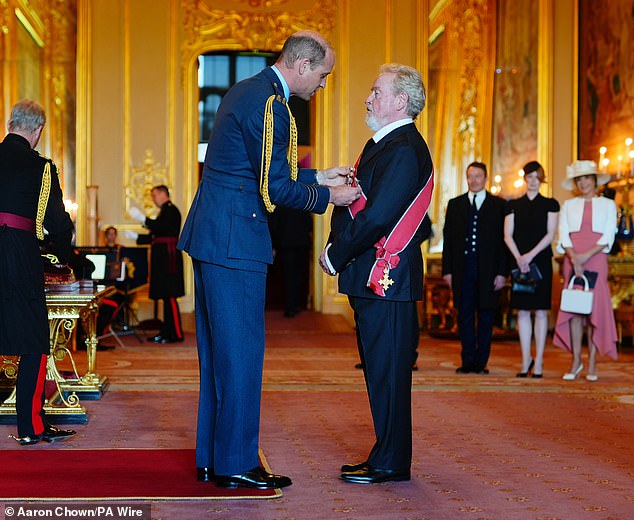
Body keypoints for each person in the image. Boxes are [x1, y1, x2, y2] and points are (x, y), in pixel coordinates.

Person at [177, 30, 361, 489]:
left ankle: (212, 457)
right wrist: (331, 196)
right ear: (302, 66)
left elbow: (257, 164)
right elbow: (273, 187)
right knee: (240, 355)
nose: (323, 85)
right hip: (236, 238)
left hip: (214, 233)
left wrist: (318, 173)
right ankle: (237, 463)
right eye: (323, 75)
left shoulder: (250, 90)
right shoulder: (272, 106)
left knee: (218, 355)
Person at [320, 63, 433, 484]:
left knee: (387, 373)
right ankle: (387, 454)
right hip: (374, 278)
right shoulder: (384, 145)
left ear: (400, 101)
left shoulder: (402, 148)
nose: (368, 98)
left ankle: (390, 460)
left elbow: (380, 216)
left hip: (387, 279)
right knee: (380, 371)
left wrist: (337, 254)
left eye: (376, 91)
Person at [0, 99, 76, 445]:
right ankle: (31, 427)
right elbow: (54, 223)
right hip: (18, 257)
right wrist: (66, 255)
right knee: (33, 341)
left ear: (10, 123)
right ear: (38, 130)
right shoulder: (41, 167)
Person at [553, 160, 618, 381]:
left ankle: (592, 362)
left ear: (595, 181)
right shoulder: (568, 205)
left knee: (593, 311)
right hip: (572, 259)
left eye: (587, 178)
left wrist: (585, 256)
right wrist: (574, 258)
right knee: (573, 310)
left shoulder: (608, 205)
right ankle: (575, 361)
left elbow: (609, 234)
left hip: (596, 258)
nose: (583, 183)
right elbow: (563, 234)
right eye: (579, 179)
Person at [442, 162, 507, 374]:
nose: (474, 180)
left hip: (489, 271)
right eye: (470, 176)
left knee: (487, 315)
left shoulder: (499, 206)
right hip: (463, 270)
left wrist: (501, 272)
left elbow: (502, 242)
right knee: (465, 315)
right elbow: (448, 241)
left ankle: (481, 362)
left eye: (478, 176)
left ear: (486, 178)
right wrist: (448, 271)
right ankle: (467, 360)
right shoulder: (455, 205)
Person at [504, 161, 559, 378]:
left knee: (541, 312)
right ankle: (526, 361)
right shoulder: (513, 205)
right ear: (524, 178)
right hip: (519, 263)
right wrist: (519, 257)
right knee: (523, 311)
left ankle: (539, 363)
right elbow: (507, 235)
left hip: (541, 262)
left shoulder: (551, 204)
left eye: (537, 177)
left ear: (541, 179)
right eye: (529, 176)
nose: (533, 180)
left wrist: (529, 256)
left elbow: (550, 235)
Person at [131, 185, 185, 344]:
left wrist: (143, 219)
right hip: (163, 258)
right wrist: (136, 237)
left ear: (163, 194)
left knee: (170, 296)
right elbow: (157, 235)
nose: (153, 199)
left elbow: (160, 228)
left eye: (155, 195)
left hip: (169, 259)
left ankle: (175, 332)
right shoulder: (165, 212)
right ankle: (167, 331)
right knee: (165, 296)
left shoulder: (171, 210)